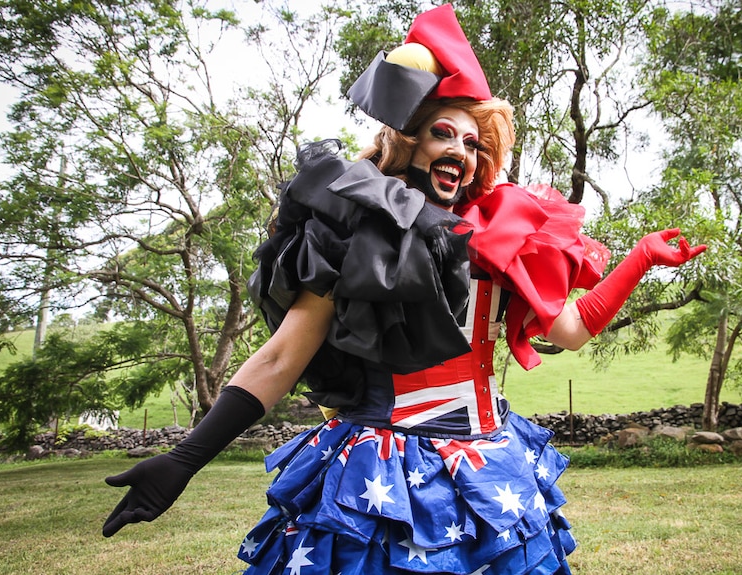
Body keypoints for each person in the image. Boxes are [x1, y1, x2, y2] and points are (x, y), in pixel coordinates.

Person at [102, 5, 706, 574]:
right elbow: (283, 355)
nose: (461, 152)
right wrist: (186, 458)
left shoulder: (498, 242)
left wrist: (641, 259)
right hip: (383, 471)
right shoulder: (359, 232)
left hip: (490, 464)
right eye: (445, 134)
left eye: (473, 143)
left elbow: (569, 332)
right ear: (409, 140)